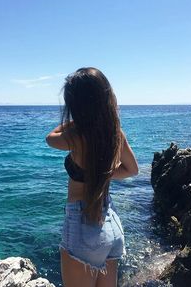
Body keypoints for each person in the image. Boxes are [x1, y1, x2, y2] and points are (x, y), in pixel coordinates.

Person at [46, 67, 138, 287]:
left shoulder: (76, 136)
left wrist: (77, 119)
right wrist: (103, 172)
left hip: (82, 224)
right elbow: (132, 170)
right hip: (111, 224)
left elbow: (50, 138)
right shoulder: (116, 133)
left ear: (76, 106)